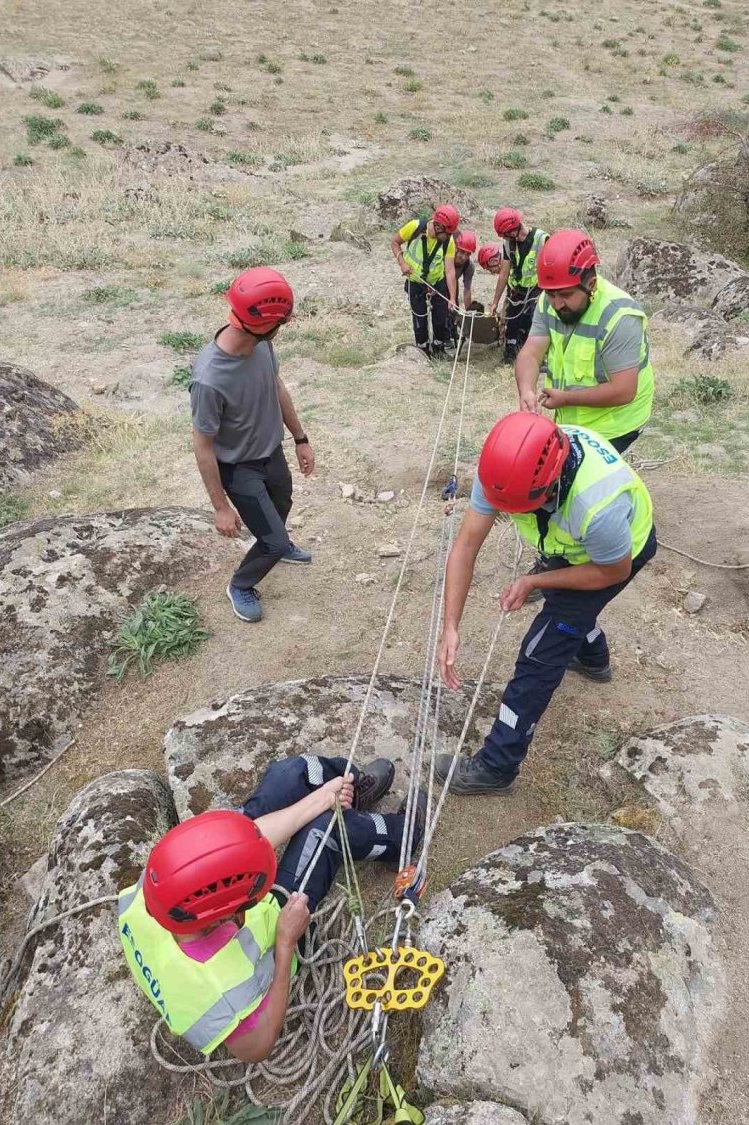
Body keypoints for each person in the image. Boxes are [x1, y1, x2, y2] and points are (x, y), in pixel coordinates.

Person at [118, 756, 426, 1062]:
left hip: (232, 912)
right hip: (282, 926)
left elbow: (250, 838)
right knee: (329, 827)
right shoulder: (217, 991)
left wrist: (321, 798)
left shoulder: (162, 882)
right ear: (226, 914)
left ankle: (351, 792)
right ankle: (404, 835)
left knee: (290, 773)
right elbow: (258, 1047)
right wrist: (286, 943)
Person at [434, 411, 656, 795]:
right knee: (562, 609)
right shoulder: (505, 470)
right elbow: (466, 546)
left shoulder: (596, 506)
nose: (510, 514)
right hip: (574, 546)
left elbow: (611, 572)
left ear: (551, 485)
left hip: (618, 555)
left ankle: (496, 766)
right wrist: (450, 627)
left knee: (540, 654)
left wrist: (536, 579)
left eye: (520, 508)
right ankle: (593, 659)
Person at [190, 267, 315, 625]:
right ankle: (241, 584)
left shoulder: (262, 344)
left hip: (271, 453)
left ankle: (276, 542)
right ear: (265, 323)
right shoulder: (209, 380)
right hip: (239, 468)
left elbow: (276, 387)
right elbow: (202, 446)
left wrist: (300, 439)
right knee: (273, 542)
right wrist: (220, 507)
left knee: (283, 503)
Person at [516, 228, 654, 456]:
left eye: (566, 295)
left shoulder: (620, 317)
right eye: (551, 294)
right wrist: (526, 391)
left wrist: (567, 399)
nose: (557, 304)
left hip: (616, 425)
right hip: (573, 420)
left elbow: (623, 390)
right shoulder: (548, 300)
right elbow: (531, 352)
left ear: (590, 285)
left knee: (582, 485)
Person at [390, 204, 460, 358]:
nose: (449, 236)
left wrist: (452, 298)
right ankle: (423, 352)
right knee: (420, 321)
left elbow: (449, 270)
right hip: (415, 282)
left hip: (437, 283)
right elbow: (395, 242)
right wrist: (402, 263)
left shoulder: (448, 242)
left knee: (441, 320)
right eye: (447, 233)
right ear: (439, 226)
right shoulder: (415, 227)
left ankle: (438, 349)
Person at [489, 208, 549, 365]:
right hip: (516, 290)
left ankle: (538, 358)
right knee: (512, 322)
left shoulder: (541, 239)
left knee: (535, 321)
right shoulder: (509, 244)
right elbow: (504, 273)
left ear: (513, 229)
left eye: (504, 234)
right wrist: (496, 300)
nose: (504, 238)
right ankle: (509, 355)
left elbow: (550, 267)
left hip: (536, 290)